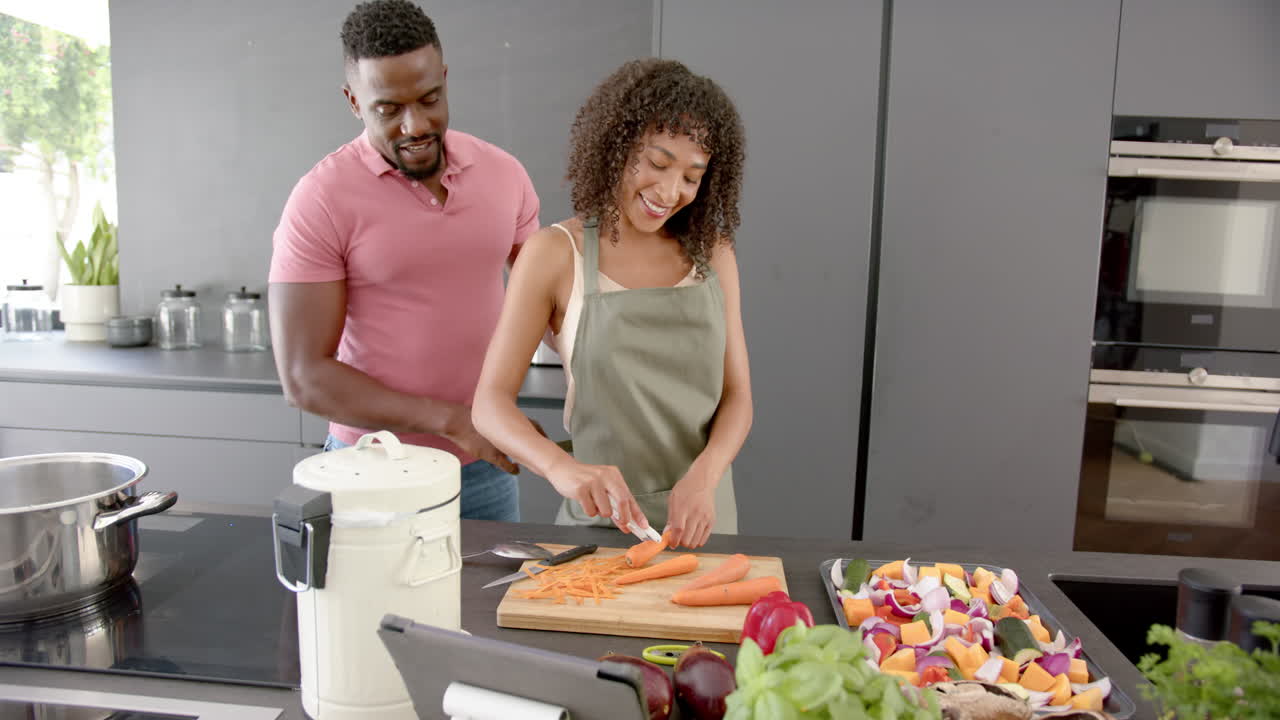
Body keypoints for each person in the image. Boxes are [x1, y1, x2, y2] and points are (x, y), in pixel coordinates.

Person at [268, 0, 541, 521]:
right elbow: (303, 377)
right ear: (354, 101)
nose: (415, 125)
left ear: (444, 79)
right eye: (388, 109)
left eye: (429, 99)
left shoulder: (504, 174)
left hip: (484, 468)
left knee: (492, 582)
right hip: (375, 470)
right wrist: (455, 421)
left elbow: (548, 302)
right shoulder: (320, 198)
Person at [471, 58, 751, 548]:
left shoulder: (715, 255)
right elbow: (489, 405)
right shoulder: (555, 253)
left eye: (692, 176)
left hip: (702, 520)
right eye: (658, 164)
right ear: (617, 144)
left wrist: (705, 476)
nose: (670, 191)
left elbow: (738, 397)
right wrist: (561, 467)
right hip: (599, 525)